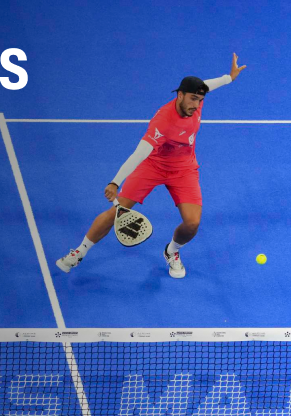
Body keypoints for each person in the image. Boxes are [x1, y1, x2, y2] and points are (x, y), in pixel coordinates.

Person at [57, 53, 246, 278]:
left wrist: (229, 78)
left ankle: (172, 251)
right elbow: (139, 154)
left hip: (184, 169)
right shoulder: (163, 122)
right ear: (180, 94)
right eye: (193, 99)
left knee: (192, 223)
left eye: (200, 100)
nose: (196, 105)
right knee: (116, 212)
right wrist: (115, 182)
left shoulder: (195, 101)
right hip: (153, 166)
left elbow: (207, 85)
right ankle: (79, 252)